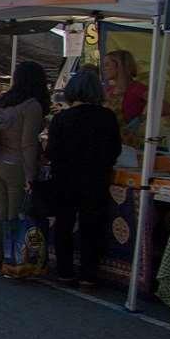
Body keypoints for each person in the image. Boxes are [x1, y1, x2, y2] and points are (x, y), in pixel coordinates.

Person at [45, 70, 122, 288]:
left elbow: (51, 151)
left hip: (66, 177)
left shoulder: (61, 118)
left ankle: (65, 272)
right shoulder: (107, 117)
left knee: (64, 225)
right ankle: (89, 274)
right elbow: (114, 149)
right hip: (96, 178)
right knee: (93, 226)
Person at [0, 60, 48, 271]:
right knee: (14, 215)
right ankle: (11, 260)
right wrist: (31, 175)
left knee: (2, 213)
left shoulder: (5, 101)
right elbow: (28, 143)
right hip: (16, 165)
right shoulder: (31, 106)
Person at [103, 48, 147, 139]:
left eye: (107, 65)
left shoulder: (137, 89)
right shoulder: (109, 90)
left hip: (129, 144)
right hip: (109, 142)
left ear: (119, 66)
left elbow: (165, 108)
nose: (104, 69)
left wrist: (141, 118)